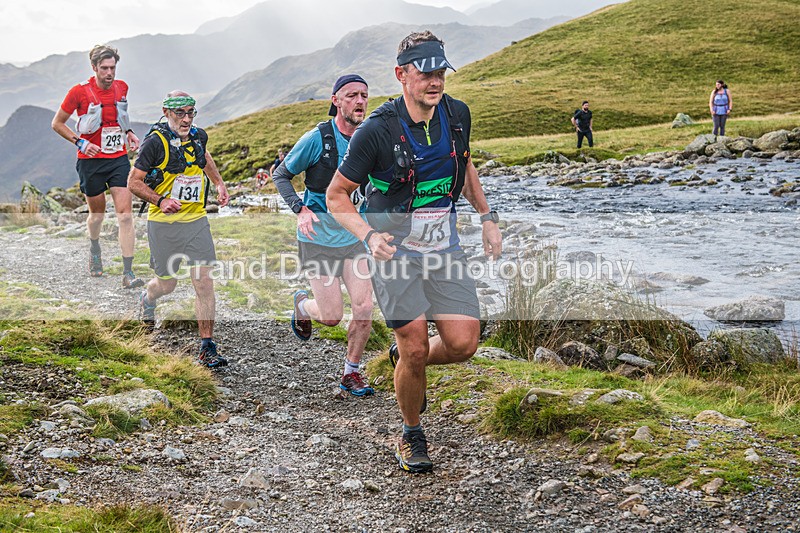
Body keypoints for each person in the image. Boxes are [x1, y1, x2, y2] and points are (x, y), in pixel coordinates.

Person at [326, 32, 502, 473]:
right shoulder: (376, 131)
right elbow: (337, 196)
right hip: (394, 252)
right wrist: (368, 236)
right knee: (416, 346)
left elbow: (464, 166)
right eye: (425, 72)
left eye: (440, 71)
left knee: (463, 344)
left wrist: (486, 216)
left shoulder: (457, 115)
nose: (435, 81)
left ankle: (403, 359)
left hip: (445, 249)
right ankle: (410, 433)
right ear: (402, 75)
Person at [274, 74, 375, 396]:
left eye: (363, 95)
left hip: (355, 236)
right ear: (336, 101)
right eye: (351, 96)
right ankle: (303, 306)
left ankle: (351, 372)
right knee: (331, 317)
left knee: (363, 308)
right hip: (317, 238)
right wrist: (300, 209)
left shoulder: (371, 138)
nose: (359, 101)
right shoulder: (317, 138)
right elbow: (282, 175)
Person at [128, 91, 230, 369]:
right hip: (163, 226)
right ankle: (148, 297)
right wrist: (161, 200)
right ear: (166, 112)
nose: (186, 119)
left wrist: (219, 183)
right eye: (180, 113)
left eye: (191, 112)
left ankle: (207, 345)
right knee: (167, 284)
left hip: (196, 221)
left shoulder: (198, 136)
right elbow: (133, 183)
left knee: (204, 282)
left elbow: (204, 157)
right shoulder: (154, 143)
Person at [51, 45, 143, 287]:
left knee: (125, 215)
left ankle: (128, 273)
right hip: (90, 162)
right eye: (104, 68)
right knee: (97, 215)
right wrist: (80, 142)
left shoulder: (122, 88)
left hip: (118, 159)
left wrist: (130, 132)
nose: (109, 73)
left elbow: (118, 118)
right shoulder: (78, 92)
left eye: (113, 67)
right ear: (94, 68)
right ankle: (94, 248)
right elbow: (57, 123)